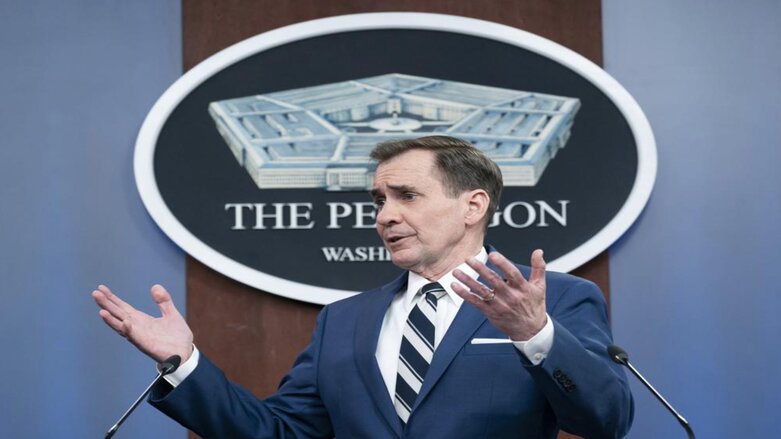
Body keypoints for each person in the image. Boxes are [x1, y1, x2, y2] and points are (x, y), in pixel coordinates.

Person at [93, 135, 633, 438]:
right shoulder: (343, 321)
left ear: (473, 205)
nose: (385, 216)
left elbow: (606, 420)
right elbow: (277, 433)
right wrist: (184, 363)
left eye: (407, 196)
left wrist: (536, 336)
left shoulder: (557, 299)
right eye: (378, 201)